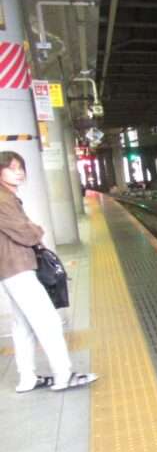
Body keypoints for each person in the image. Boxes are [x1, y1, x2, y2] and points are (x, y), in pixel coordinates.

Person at [0, 151, 95, 392]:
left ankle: (27, 379)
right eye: (11, 168)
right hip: (17, 267)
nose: (19, 172)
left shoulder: (8, 197)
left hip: (11, 267)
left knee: (23, 325)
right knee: (48, 321)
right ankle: (63, 375)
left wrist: (30, 229)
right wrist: (37, 229)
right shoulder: (2, 200)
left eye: (20, 167)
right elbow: (26, 234)